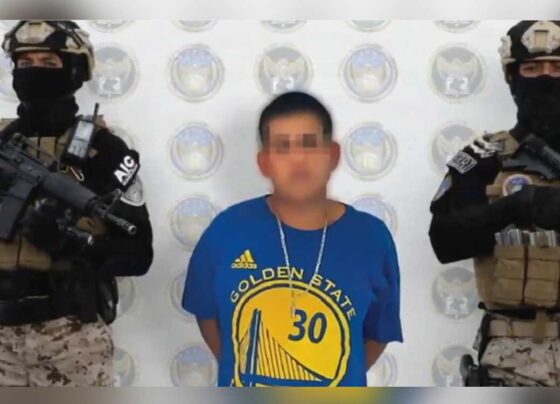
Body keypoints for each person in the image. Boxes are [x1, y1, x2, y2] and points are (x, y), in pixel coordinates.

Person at [182, 91, 403, 386]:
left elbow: (378, 334)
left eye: (309, 144)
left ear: (332, 155)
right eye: (283, 147)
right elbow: (208, 318)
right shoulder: (226, 231)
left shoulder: (372, 239)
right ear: (264, 163)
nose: (298, 159)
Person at [0, 20, 153, 386]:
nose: (34, 71)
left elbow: (138, 253)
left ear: (73, 71)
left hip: (69, 338)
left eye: (48, 63)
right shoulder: (3, 140)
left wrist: (74, 245)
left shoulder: (105, 150)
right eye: (25, 62)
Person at [429, 20, 560, 386]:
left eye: (557, 68)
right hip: (516, 355)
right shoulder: (484, 157)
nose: (546, 79)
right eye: (532, 69)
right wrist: (514, 208)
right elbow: (444, 241)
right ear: (512, 78)